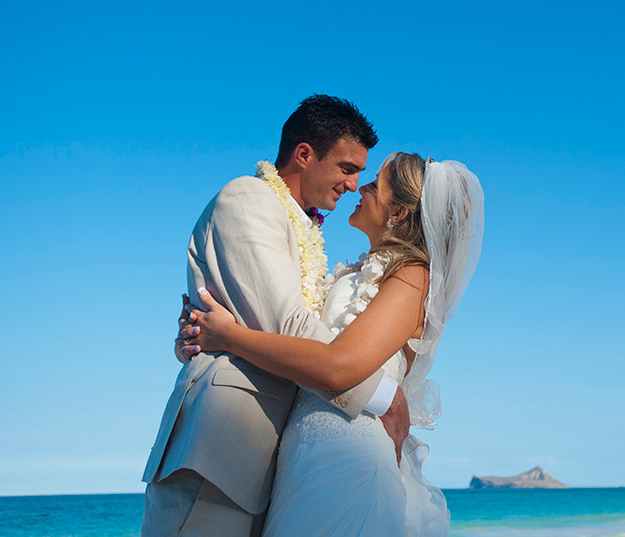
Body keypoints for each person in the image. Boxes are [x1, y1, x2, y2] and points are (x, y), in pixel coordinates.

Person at [141, 95, 410, 537]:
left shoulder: (303, 224)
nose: (354, 183)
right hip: (218, 453)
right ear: (304, 154)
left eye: (362, 172)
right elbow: (290, 328)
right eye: (346, 167)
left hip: (270, 462)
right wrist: (385, 397)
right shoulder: (248, 199)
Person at [179, 152, 484, 536]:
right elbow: (290, 334)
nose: (360, 187)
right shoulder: (357, 269)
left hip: (349, 457)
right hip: (299, 456)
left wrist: (228, 336)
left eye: (375, 185)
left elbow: (337, 365)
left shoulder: (412, 276)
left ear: (400, 213)